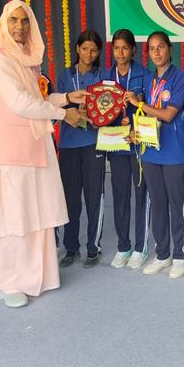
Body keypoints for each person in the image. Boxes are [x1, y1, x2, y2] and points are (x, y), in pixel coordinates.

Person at [0, 0, 87, 308]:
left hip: (35, 149)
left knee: (38, 214)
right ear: (3, 24)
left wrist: (65, 98)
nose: (19, 27)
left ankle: (39, 277)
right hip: (11, 153)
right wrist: (64, 114)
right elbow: (18, 102)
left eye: (24, 21)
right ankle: (10, 283)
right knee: (13, 219)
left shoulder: (25, 58)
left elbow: (37, 98)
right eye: (14, 20)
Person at [134, 31, 184, 278]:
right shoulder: (148, 80)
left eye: (161, 47)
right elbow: (146, 115)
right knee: (157, 204)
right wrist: (137, 129)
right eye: (152, 49)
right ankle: (162, 254)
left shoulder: (180, 78)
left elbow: (168, 115)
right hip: (151, 151)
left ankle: (180, 256)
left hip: (174, 151)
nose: (156, 53)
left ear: (170, 49)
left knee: (176, 204)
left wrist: (140, 104)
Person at [102, 29, 151, 270]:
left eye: (125, 48)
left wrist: (138, 101)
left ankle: (141, 248)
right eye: (116, 48)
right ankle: (124, 246)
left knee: (141, 196)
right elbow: (100, 109)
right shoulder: (105, 77)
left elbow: (152, 107)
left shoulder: (144, 75)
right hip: (116, 143)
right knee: (120, 196)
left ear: (133, 50)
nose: (120, 53)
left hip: (138, 143)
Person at [57, 29, 106, 269]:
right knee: (70, 198)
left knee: (94, 196)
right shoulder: (65, 76)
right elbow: (55, 106)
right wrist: (70, 114)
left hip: (93, 142)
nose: (89, 54)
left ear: (98, 52)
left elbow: (109, 107)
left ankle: (93, 248)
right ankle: (71, 247)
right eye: (85, 49)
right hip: (68, 144)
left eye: (94, 50)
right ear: (77, 49)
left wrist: (99, 117)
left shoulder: (103, 76)